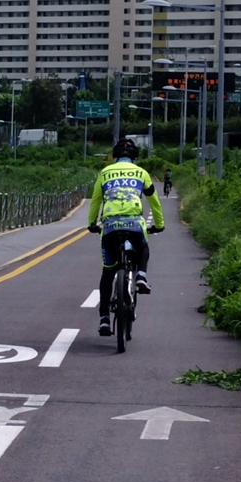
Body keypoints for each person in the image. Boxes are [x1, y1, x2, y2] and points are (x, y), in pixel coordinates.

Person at [88, 138, 165, 336]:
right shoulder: (142, 173)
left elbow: (96, 201)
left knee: (108, 273)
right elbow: (154, 201)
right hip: (134, 224)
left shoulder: (105, 173)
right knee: (143, 247)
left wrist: (91, 224)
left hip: (111, 226)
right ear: (136, 157)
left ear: (114, 156)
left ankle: (104, 319)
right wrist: (160, 224)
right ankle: (141, 276)